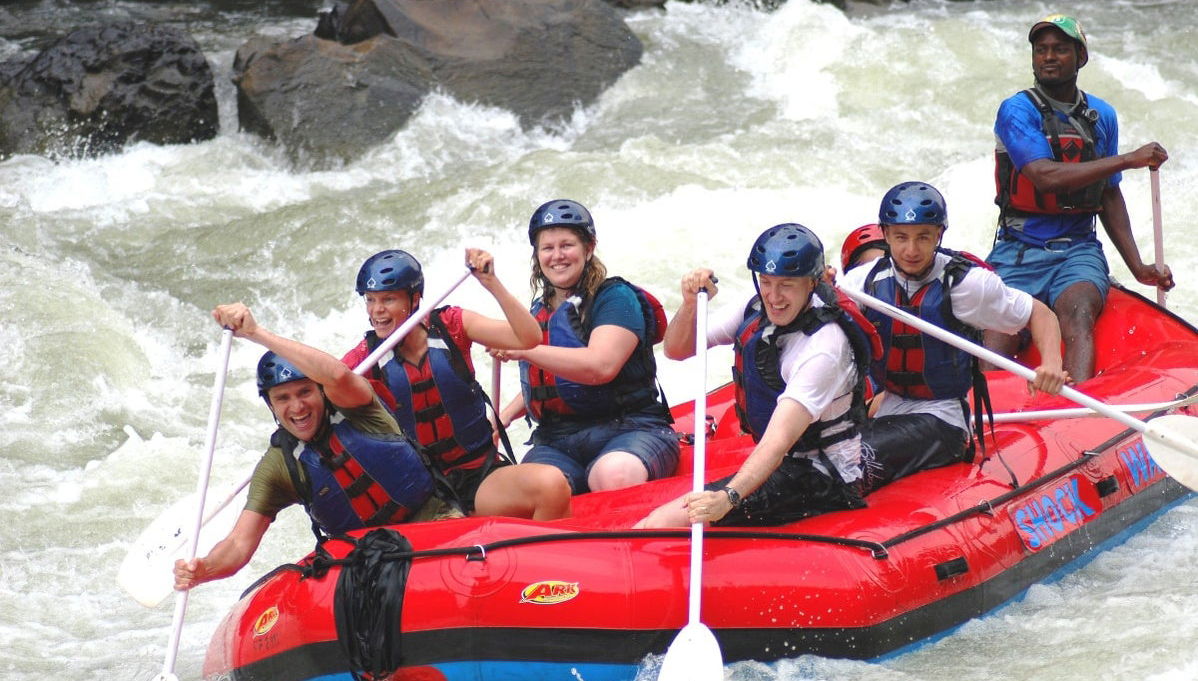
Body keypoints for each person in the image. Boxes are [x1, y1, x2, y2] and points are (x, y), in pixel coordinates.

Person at [174, 303, 446, 591]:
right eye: (283, 398)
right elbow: (239, 544)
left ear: (321, 391)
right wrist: (204, 569)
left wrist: (255, 333)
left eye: (305, 392)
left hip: (433, 523)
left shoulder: (357, 407)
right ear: (271, 406)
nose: (297, 407)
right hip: (365, 562)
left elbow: (339, 375)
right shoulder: (279, 465)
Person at [637, 223, 873, 528]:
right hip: (788, 458)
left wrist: (728, 498)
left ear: (811, 284)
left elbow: (778, 442)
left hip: (823, 472)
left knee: (662, 523)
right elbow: (677, 349)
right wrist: (690, 305)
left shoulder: (825, 346)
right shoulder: (756, 306)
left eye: (787, 284)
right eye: (766, 281)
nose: (774, 297)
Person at [842, 181, 1069, 490]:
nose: (911, 250)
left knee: (853, 462)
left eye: (923, 237)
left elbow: (1039, 313)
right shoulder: (861, 283)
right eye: (901, 238)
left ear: (939, 234)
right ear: (885, 234)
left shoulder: (968, 285)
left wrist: (1051, 363)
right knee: (828, 453)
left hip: (943, 418)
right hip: (889, 409)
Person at [986, 13, 1173, 381]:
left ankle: (1080, 411)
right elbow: (1045, 177)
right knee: (997, 335)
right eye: (1041, 50)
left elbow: (1108, 193)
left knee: (1078, 313)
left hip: (1078, 246)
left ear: (1081, 57)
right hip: (1017, 247)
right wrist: (1128, 158)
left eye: (1060, 49)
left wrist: (1138, 268)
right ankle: (994, 415)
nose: (1049, 57)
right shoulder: (1016, 110)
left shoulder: (1101, 115)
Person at [342, 248, 571, 520]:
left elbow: (529, 337)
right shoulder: (365, 360)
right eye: (370, 300)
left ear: (415, 299)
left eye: (388, 299)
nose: (376, 310)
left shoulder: (451, 325)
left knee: (551, 485)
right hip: (422, 492)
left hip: (480, 474)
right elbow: (324, 391)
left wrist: (491, 284)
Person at [488, 199, 679, 498]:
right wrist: (504, 417)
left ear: (589, 248)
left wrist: (523, 350)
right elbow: (554, 378)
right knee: (529, 490)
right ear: (537, 256)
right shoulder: (538, 311)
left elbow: (600, 366)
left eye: (567, 245)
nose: (557, 256)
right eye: (547, 248)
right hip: (557, 440)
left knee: (612, 475)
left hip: (630, 428)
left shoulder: (615, 298)